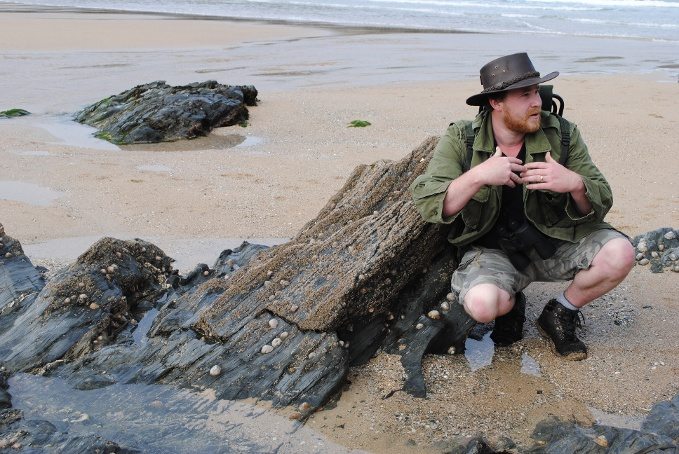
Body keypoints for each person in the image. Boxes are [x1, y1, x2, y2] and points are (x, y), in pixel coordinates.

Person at [410, 52, 635, 361]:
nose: (536, 102)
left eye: (536, 92)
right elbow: (429, 202)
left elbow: (601, 199)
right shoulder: (461, 138)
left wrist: (574, 183)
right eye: (524, 94)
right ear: (496, 102)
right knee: (483, 305)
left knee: (620, 253)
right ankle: (512, 302)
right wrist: (478, 176)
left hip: (554, 243)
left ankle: (560, 312)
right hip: (493, 253)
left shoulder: (563, 133)